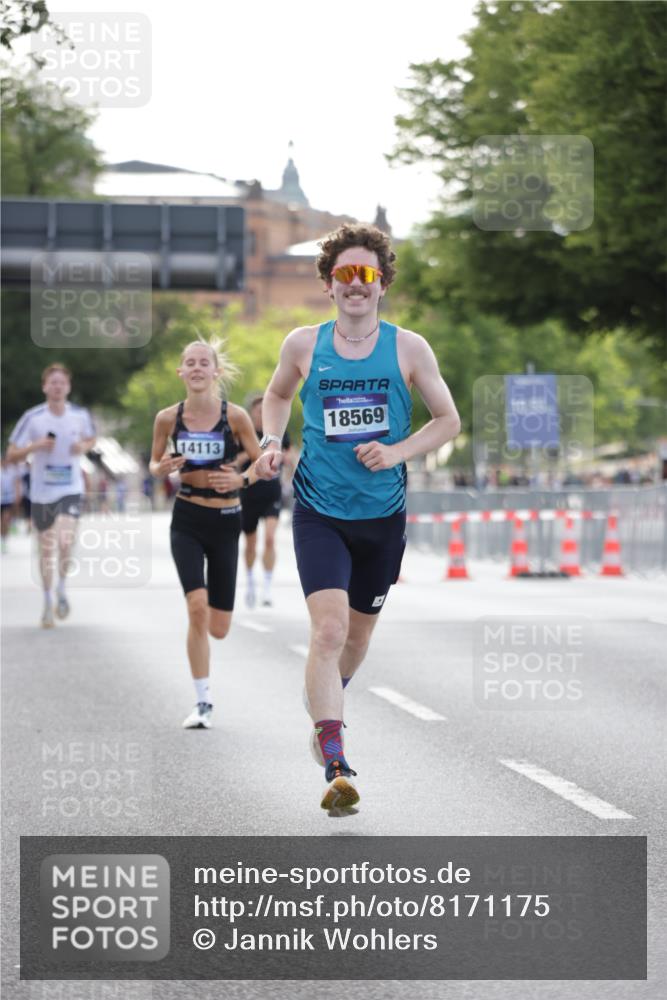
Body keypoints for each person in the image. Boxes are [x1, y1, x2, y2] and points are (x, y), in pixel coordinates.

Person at [254, 223, 461, 813]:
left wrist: (396, 451)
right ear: (328, 284)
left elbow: (447, 420)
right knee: (328, 630)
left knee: (357, 637)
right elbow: (276, 396)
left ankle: (326, 709)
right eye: (343, 273)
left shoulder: (408, 348)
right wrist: (273, 440)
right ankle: (335, 756)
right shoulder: (302, 344)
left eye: (365, 274)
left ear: (382, 283)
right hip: (319, 508)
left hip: (382, 517)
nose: (355, 284)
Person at [149, 336, 262, 730]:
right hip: (187, 518)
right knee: (195, 608)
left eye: (203, 362)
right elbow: (153, 462)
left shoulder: (236, 418)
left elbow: (262, 465)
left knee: (219, 628)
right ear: (181, 372)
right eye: (189, 363)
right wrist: (161, 467)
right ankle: (203, 702)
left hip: (226, 520)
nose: (196, 368)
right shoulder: (168, 418)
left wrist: (240, 477)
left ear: (215, 371)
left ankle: (206, 686)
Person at [7, 364, 96, 627]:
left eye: (62, 383)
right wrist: (34, 446)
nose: (57, 387)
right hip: (42, 491)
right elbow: (11, 453)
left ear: (68, 387)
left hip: (70, 488)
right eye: (52, 382)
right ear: (44, 386)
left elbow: (92, 439)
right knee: (46, 548)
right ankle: (47, 599)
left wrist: (83, 445)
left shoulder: (79, 415)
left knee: (66, 542)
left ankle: (62, 588)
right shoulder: (33, 417)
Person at [237, 393, 293, 608]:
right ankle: (250, 581)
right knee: (250, 543)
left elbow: (287, 456)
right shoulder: (243, 433)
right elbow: (233, 462)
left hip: (272, 492)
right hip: (248, 494)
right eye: (258, 410)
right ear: (251, 413)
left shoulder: (277, 432)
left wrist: (286, 458)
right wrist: (253, 454)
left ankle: (267, 588)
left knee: (270, 539)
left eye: (265, 409)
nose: (262, 413)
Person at [1, 454, 23, 553]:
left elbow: (17, 483)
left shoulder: (12, 471)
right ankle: (2, 537)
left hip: (9, 498)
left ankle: (4, 540)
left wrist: (17, 495)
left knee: (6, 519)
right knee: (1, 522)